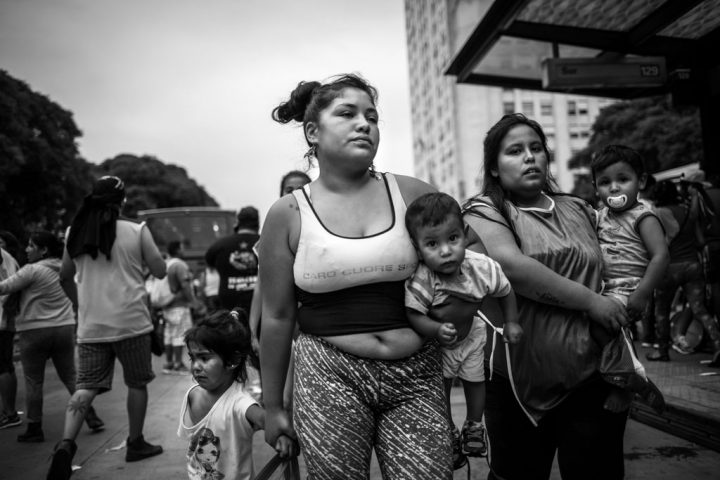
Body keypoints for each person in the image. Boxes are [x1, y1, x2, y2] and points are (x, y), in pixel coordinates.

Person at [260, 73, 451, 479]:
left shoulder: (413, 194)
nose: (364, 123)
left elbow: (471, 261)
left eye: (372, 116)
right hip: (327, 375)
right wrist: (273, 406)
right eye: (347, 114)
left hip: (417, 374)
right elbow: (277, 317)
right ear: (312, 131)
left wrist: (456, 315)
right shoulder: (287, 214)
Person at [462, 113, 630, 480]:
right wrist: (592, 302)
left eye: (536, 148)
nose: (529, 157)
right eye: (515, 151)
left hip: (593, 375)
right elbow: (512, 268)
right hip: (516, 382)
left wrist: (632, 296)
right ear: (494, 167)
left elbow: (620, 257)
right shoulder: (483, 211)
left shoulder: (578, 208)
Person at [47, 176, 167, 480]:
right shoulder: (137, 230)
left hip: (92, 326)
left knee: (85, 386)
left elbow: (64, 276)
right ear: (122, 201)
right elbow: (160, 270)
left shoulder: (74, 231)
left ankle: (65, 444)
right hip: (132, 324)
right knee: (137, 383)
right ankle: (135, 443)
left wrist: (81, 306)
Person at [404, 192, 522, 467]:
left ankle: (474, 425)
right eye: (432, 244)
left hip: (471, 334)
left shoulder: (481, 267)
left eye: (453, 238)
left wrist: (511, 321)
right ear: (417, 249)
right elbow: (413, 313)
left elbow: (505, 291)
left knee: (475, 380)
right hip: (439, 344)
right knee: (441, 387)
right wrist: (434, 329)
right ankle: (447, 428)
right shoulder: (423, 277)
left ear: (465, 235)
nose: (445, 251)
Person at [0, 231, 105, 442]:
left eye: (31, 245)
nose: (27, 249)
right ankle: (90, 415)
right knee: (71, 376)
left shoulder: (32, 270)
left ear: (44, 250)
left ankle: (34, 428)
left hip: (35, 331)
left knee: (33, 381)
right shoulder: (66, 269)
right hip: (64, 328)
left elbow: (4, 287)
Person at [590, 145, 669, 413]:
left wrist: (643, 293)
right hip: (606, 289)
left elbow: (661, 256)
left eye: (622, 179)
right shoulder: (600, 216)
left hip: (630, 288)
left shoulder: (644, 216)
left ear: (641, 181)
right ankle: (623, 375)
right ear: (596, 188)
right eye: (605, 182)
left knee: (602, 324)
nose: (614, 188)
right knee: (593, 326)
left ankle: (628, 381)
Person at [178, 308, 296, 480]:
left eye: (204, 358)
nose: (195, 366)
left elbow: (265, 419)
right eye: (192, 358)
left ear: (232, 361)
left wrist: (282, 437)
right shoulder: (192, 395)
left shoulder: (239, 403)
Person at [647, 179, 720, 366]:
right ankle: (719, 346)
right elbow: (700, 241)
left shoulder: (659, 212)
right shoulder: (688, 210)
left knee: (661, 310)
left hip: (669, 268)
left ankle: (662, 351)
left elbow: (660, 241)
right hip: (692, 266)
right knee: (699, 309)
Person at [248, 170, 312, 353]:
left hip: (316, 324)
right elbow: (261, 284)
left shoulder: (326, 230)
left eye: (301, 189)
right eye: (289, 190)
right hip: (282, 325)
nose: (295, 194)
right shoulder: (271, 235)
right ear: (281, 195)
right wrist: (252, 330)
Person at [204, 207, 260, 313]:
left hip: (229, 305)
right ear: (257, 223)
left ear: (238, 222)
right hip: (258, 305)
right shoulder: (265, 243)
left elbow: (209, 263)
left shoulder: (219, 245)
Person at [161, 240, 196, 375]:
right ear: (177, 250)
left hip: (167, 305)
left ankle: (168, 363)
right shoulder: (179, 265)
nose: (183, 251)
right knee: (179, 334)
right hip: (179, 305)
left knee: (169, 335)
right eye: (182, 248)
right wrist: (193, 301)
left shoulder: (166, 263)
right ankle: (178, 364)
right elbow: (185, 285)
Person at [0, 237, 21, 431]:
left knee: (3, 366)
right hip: (6, 317)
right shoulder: (11, 259)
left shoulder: (4, 257)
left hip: (2, 318)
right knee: (6, 365)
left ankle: (9, 413)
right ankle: (9, 412)